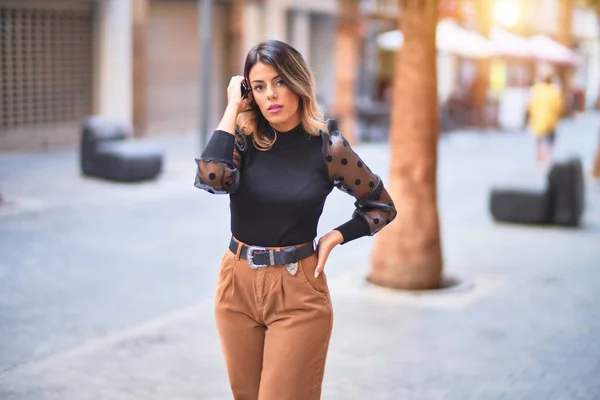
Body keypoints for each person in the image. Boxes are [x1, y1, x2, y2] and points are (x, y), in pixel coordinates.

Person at [194, 40, 397, 400]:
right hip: (236, 284)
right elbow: (212, 178)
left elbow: (380, 205)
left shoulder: (328, 148)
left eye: (279, 82)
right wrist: (231, 108)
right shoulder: (242, 141)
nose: (271, 95)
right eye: (259, 87)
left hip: (297, 290)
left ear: (298, 83)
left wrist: (337, 235)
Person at [527, 74, 563, 164]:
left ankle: (538, 156)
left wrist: (532, 115)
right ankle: (547, 157)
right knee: (550, 139)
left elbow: (530, 104)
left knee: (538, 138)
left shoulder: (537, 90)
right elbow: (558, 106)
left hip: (538, 118)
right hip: (551, 119)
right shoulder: (554, 91)